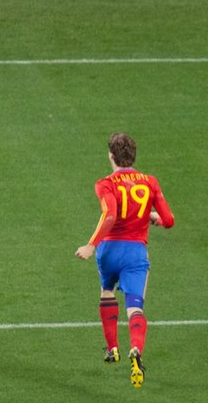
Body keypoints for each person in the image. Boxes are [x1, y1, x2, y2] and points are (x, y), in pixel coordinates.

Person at [75, 132, 175, 387]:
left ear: (111, 156)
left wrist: (90, 244)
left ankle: (113, 349)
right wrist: (153, 218)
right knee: (135, 307)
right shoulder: (150, 183)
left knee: (107, 292)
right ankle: (136, 350)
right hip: (135, 253)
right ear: (134, 156)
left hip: (108, 251)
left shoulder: (105, 184)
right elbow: (169, 221)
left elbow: (110, 215)